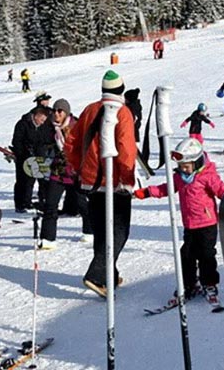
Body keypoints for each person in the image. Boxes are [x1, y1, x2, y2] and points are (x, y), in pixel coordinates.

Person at [133, 138, 224, 307]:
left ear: (197, 162)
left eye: (186, 166)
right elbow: (166, 188)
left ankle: (209, 284)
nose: (183, 169)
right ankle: (189, 285)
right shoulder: (180, 177)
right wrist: (147, 192)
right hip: (190, 225)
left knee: (206, 255)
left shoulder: (207, 176)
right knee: (186, 255)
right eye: (181, 166)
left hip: (207, 224)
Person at [65, 70, 139, 296]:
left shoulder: (90, 109)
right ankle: (97, 275)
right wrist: (128, 179)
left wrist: (80, 168)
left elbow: (71, 142)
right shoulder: (122, 112)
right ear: (121, 89)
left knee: (101, 230)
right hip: (114, 181)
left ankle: (110, 274)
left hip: (90, 181)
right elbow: (126, 148)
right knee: (119, 230)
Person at [39, 99, 85, 249]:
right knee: (50, 204)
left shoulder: (76, 126)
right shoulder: (49, 127)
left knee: (82, 203)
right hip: (57, 171)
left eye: (60, 111)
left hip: (75, 172)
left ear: (67, 112)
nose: (56, 114)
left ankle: (89, 231)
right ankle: (47, 239)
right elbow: (42, 144)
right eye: (55, 110)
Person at [12, 96, 56, 214]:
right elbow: (17, 141)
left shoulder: (44, 126)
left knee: (43, 180)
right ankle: (21, 204)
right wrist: (24, 154)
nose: (43, 122)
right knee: (24, 181)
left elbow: (47, 139)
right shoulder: (23, 124)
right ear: (36, 116)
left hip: (40, 155)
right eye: (41, 120)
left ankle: (43, 201)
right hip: (24, 157)